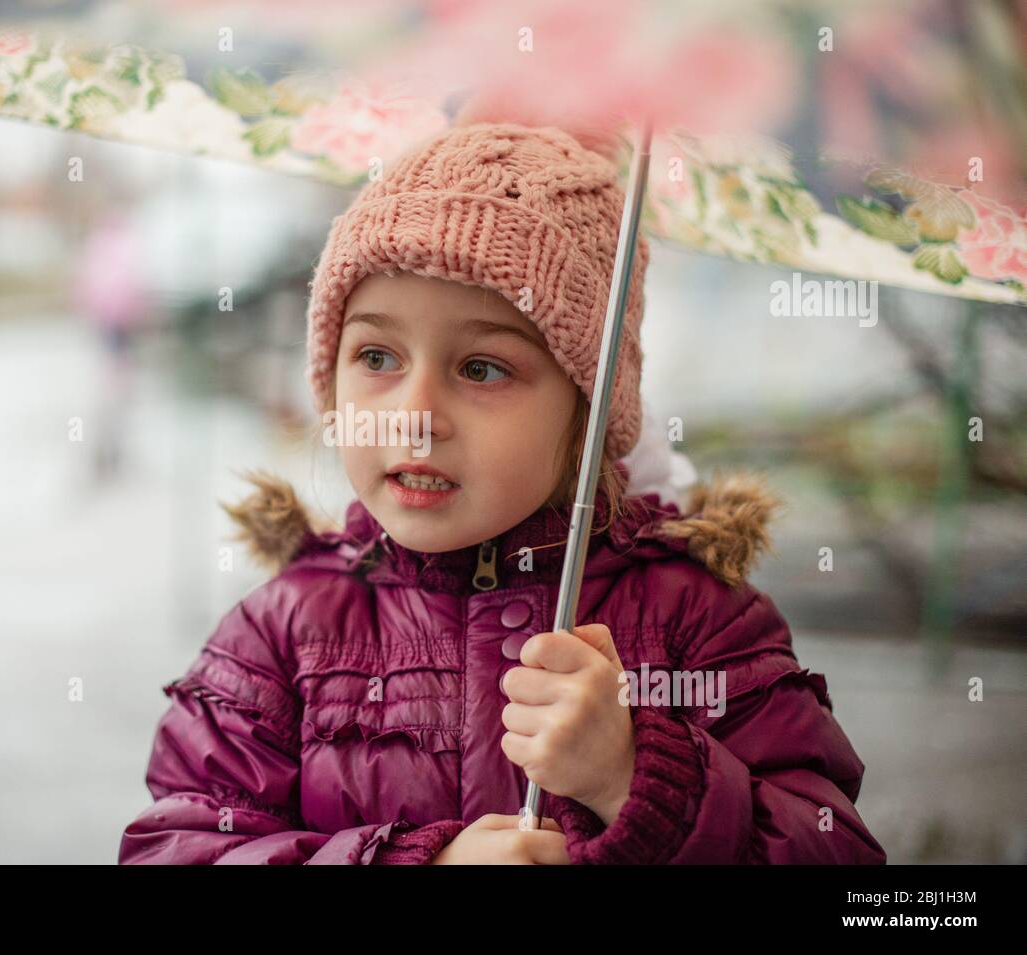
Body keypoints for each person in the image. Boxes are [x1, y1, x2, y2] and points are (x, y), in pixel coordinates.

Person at [117, 114, 886, 864]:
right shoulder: (280, 638)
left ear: (586, 413)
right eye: (378, 356)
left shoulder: (700, 623)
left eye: (482, 368)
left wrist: (637, 778)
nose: (414, 416)